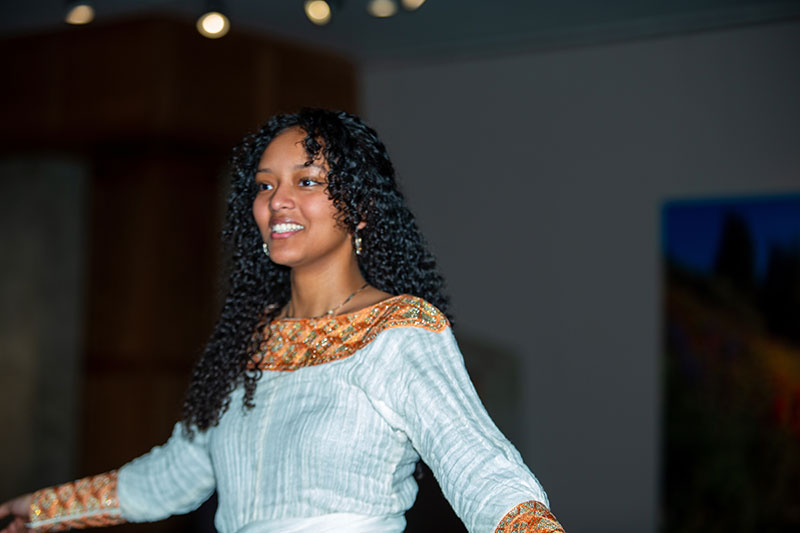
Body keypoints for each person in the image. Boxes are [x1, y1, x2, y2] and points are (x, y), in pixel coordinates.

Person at [0, 109, 565, 533]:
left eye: (307, 181)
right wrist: (42, 511)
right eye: (265, 185)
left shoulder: (398, 330)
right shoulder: (246, 344)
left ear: (361, 207)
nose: (277, 201)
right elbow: (172, 476)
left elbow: (479, 468)